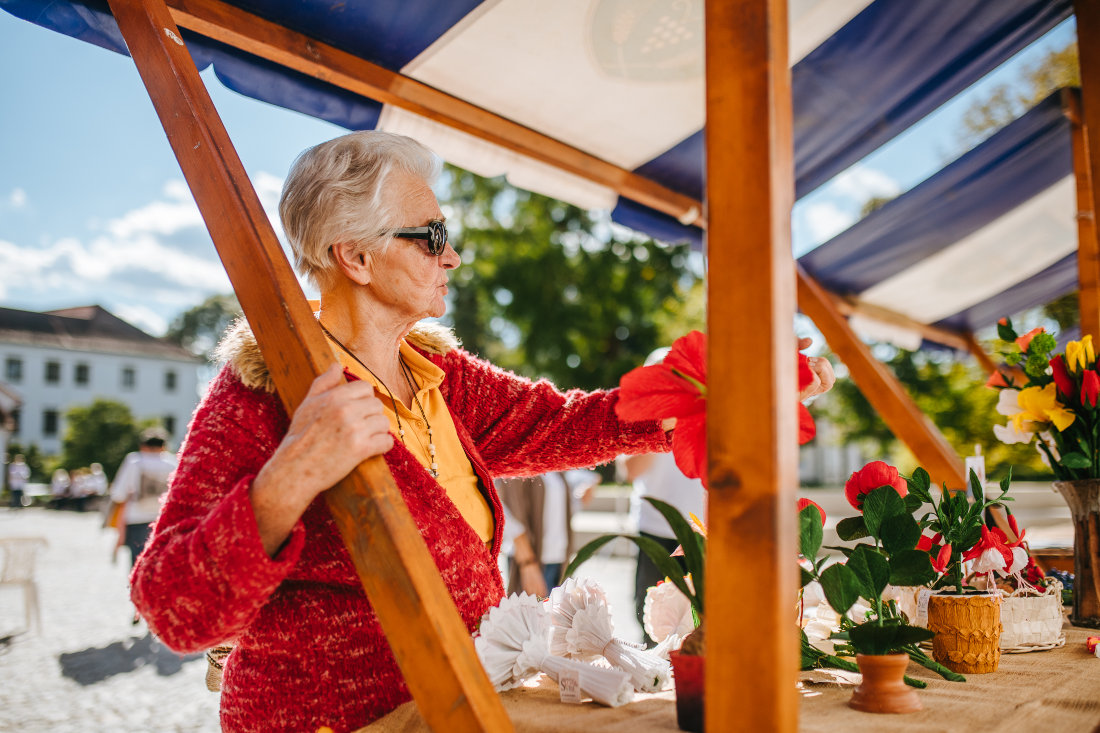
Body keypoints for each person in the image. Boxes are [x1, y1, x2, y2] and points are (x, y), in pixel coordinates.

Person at [130, 131, 674, 733]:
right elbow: (173, 608)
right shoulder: (264, 391)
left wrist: (705, 391)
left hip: (454, 709)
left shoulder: (439, 372)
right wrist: (293, 474)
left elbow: (564, 421)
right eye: (433, 236)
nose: (452, 257)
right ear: (356, 257)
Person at [497, 469, 600, 597]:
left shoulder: (554, 467)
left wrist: (581, 496)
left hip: (558, 562)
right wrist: (527, 564)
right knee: (530, 614)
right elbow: (509, 513)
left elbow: (557, 512)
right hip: (533, 562)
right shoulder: (519, 463)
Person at [110, 428, 176, 568]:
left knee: (137, 561)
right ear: (163, 446)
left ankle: (137, 589)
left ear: (142, 445)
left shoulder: (134, 460)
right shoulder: (172, 462)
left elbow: (118, 493)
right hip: (162, 518)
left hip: (136, 517)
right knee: (159, 560)